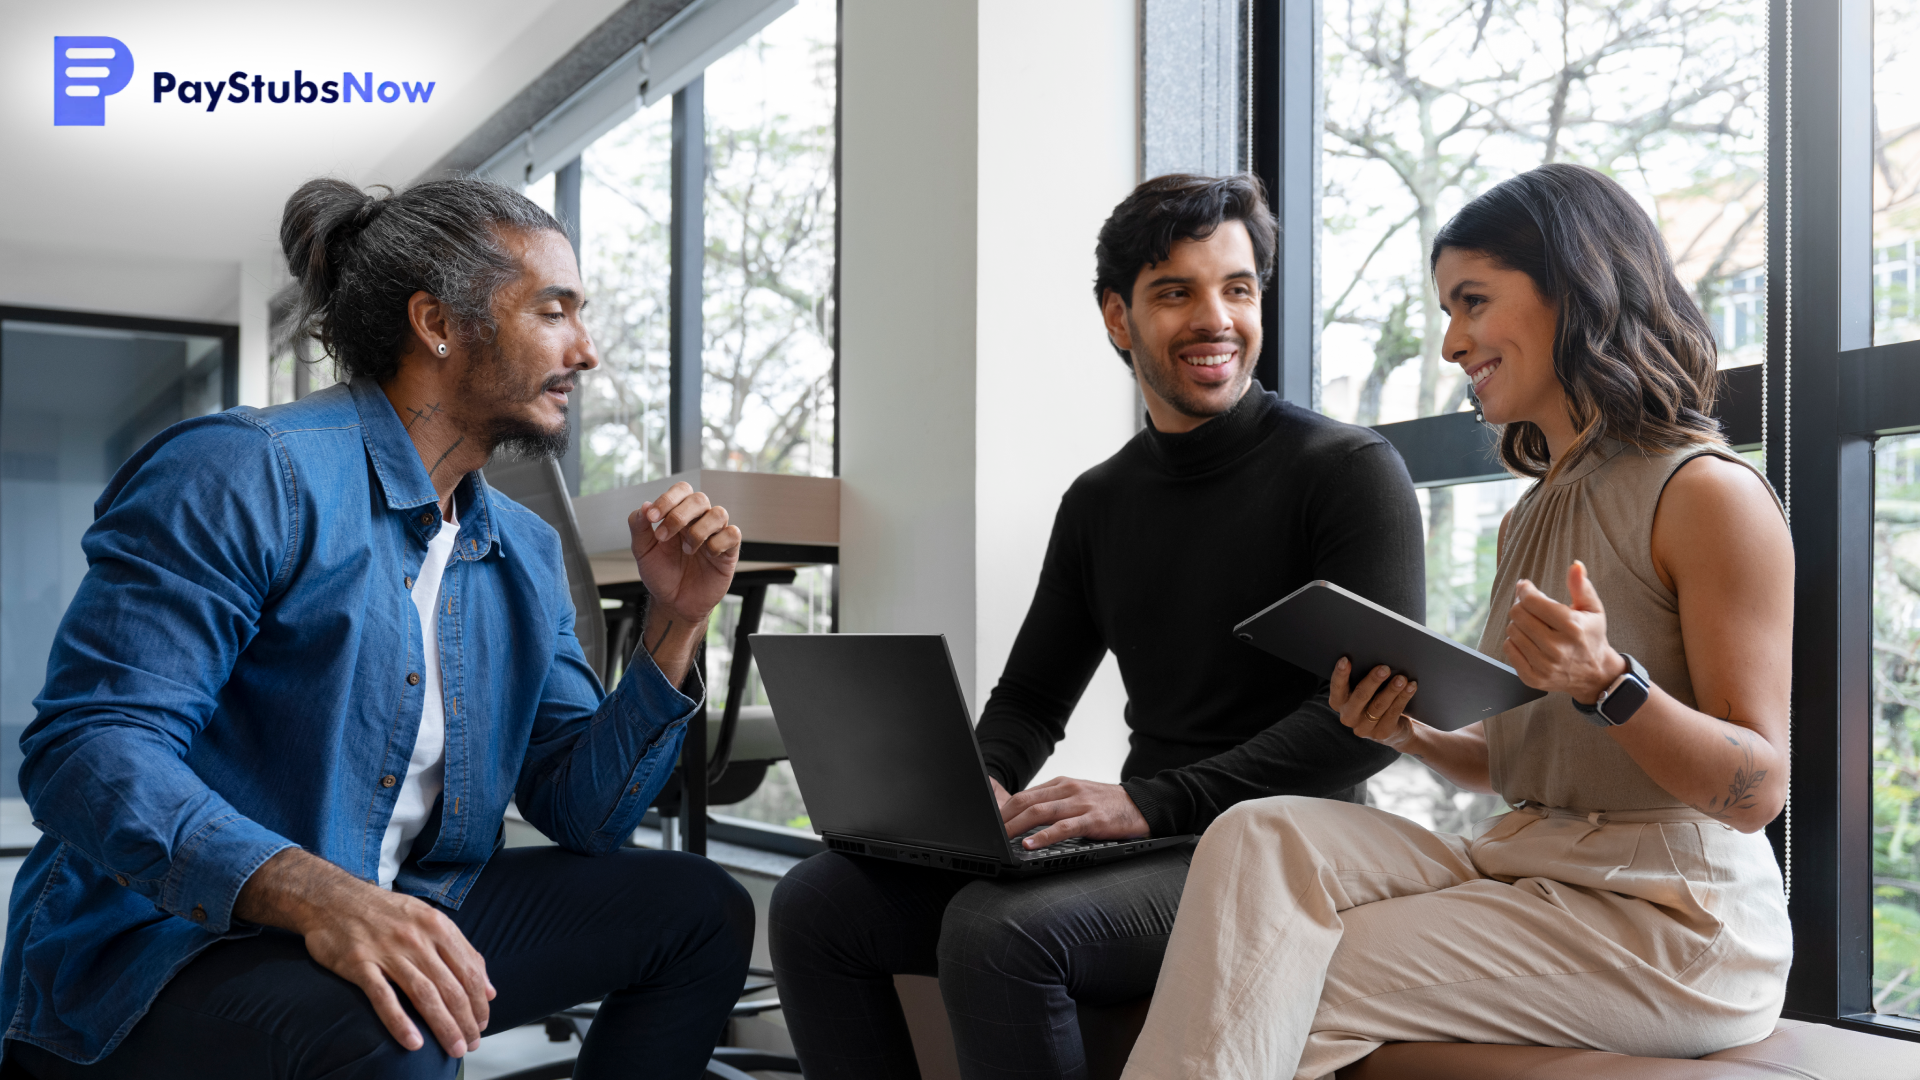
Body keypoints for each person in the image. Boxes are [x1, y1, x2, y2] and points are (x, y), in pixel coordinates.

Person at [0, 177, 753, 1079]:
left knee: (699, 910)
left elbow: (583, 813)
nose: (585, 352)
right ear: (438, 323)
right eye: (554, 311)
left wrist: (676, 623)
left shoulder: (522, 549)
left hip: (404, 896)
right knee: (399, 1033)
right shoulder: (243, 472)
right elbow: (87, 750)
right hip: (173, 937)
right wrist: (320, 894)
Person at [1120, 163, 1794, 1079]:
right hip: (1534, 861)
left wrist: (1613, 684)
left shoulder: (1706, 494)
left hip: (1678, 918)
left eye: (1472, 302)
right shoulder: (1534, 510)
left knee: (1280, 966)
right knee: (1259, 832)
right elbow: (1535, 759)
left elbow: (1755, 792)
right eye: (1447, 310)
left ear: (1575, 291)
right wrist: (1410, 732)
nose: (1451, 344)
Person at [769, 174, 1427, 1079]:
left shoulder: (1349, 470)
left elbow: (1359, 731)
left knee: (1001, 935)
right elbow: (1034, 696)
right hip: (1156, 841)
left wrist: (1147, 802)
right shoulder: (1100, 501)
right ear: (1118, 318)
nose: (1216, 318)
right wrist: (982, 785)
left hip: (1287, 850)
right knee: (816, 904)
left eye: (1237, 288)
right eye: (1175, 292)